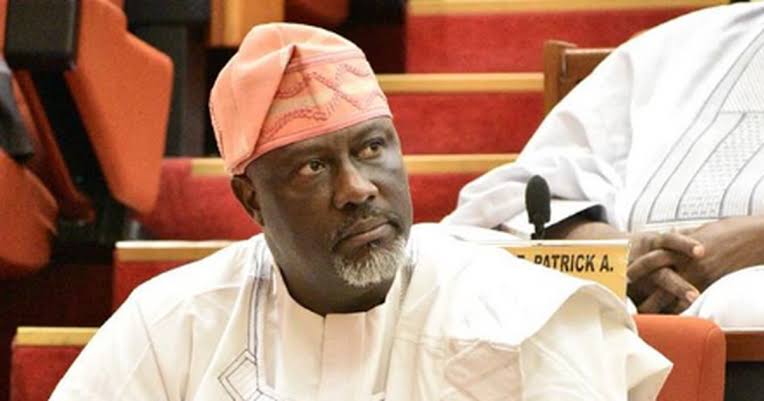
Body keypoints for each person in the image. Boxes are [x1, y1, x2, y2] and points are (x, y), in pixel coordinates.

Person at [50, 23, 670, 400]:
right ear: (251, 200)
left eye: (372, 149)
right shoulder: (173, 323)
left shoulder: (519, 314)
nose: (358, 188)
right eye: (312, 168)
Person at [444, 3, 764, 327]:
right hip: (614, 310)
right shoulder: (679, 47)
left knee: (742, 305)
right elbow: (513, 197)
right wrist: (616, 252)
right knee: (441, 262)